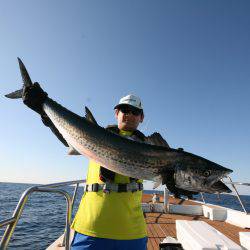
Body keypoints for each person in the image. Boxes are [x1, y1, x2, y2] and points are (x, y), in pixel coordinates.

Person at [22, 83, 148, 250]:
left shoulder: (151, 147)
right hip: (90, 229)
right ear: (117, 113)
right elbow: (67, 137)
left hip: (132, 233)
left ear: (141, 117)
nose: (129, 115)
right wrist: (44, 113)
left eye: (135, 112)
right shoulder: (94, 136)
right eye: (125, 110)